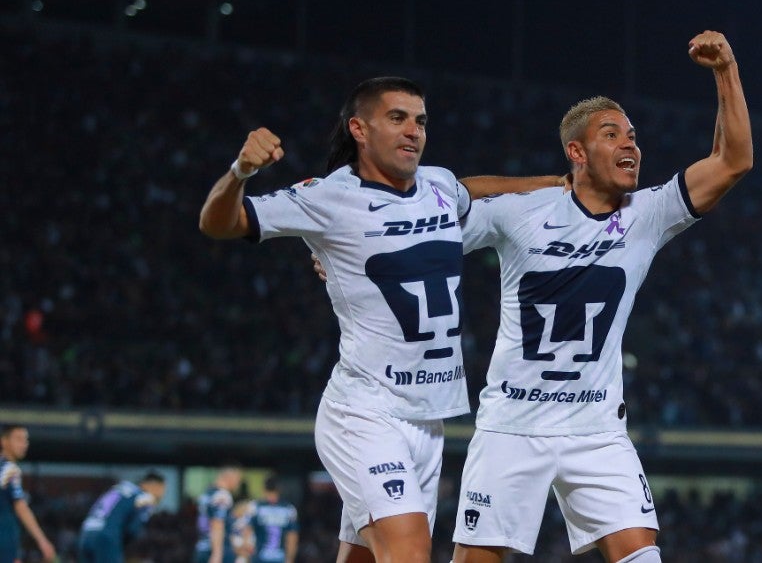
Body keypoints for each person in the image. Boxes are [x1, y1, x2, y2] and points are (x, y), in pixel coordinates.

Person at [199, 76, 561, 563]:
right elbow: (218, 222)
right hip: (364, 414)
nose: (414, 130)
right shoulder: (328, 197)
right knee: (410, 552)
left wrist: (557, 184)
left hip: (428, 420)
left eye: (421, 121)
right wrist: (241, 170)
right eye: (397, 118)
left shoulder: (436, 184)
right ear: (359, 130)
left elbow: (470, 191)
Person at [448, 30, 751, 563]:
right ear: (577, 152)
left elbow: (734, 161)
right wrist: (334, 257)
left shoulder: (648, 214)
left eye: (633, 135)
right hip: (513, 426)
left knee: (642, 555)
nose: (631, 143)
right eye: (612, 134)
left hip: (596, 429)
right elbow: (439, 204)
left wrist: (725, 70)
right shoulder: (524, 211)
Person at [77, 471, 167, 563]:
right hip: (107, 537)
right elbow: (133, 529)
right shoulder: (146, 497)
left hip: (86, 534)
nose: (161, 494)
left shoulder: (118, 488)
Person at [0, 424, 56, 563]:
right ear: (4, 441)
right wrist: (42, 540)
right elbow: (21, 507)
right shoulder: (10, 470)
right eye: (18, 439)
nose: (24, 444)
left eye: (26, 440)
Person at [193, 465, 244, 563]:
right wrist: (217, 554)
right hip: (217, 549)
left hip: (202, 546)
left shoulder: (206, 493)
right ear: (230, 477)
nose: (238, 484)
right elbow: (217, 524)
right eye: (238, 479)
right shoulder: (222, 496)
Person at [243, 475, 298, 563]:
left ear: (264, 488)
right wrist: (289, 559)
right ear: (279, 489)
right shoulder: (289, 509)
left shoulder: (254, 507)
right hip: (280, 558)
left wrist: (248, 556)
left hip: (259, 558)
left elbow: (247, 533)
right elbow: (292, 538)